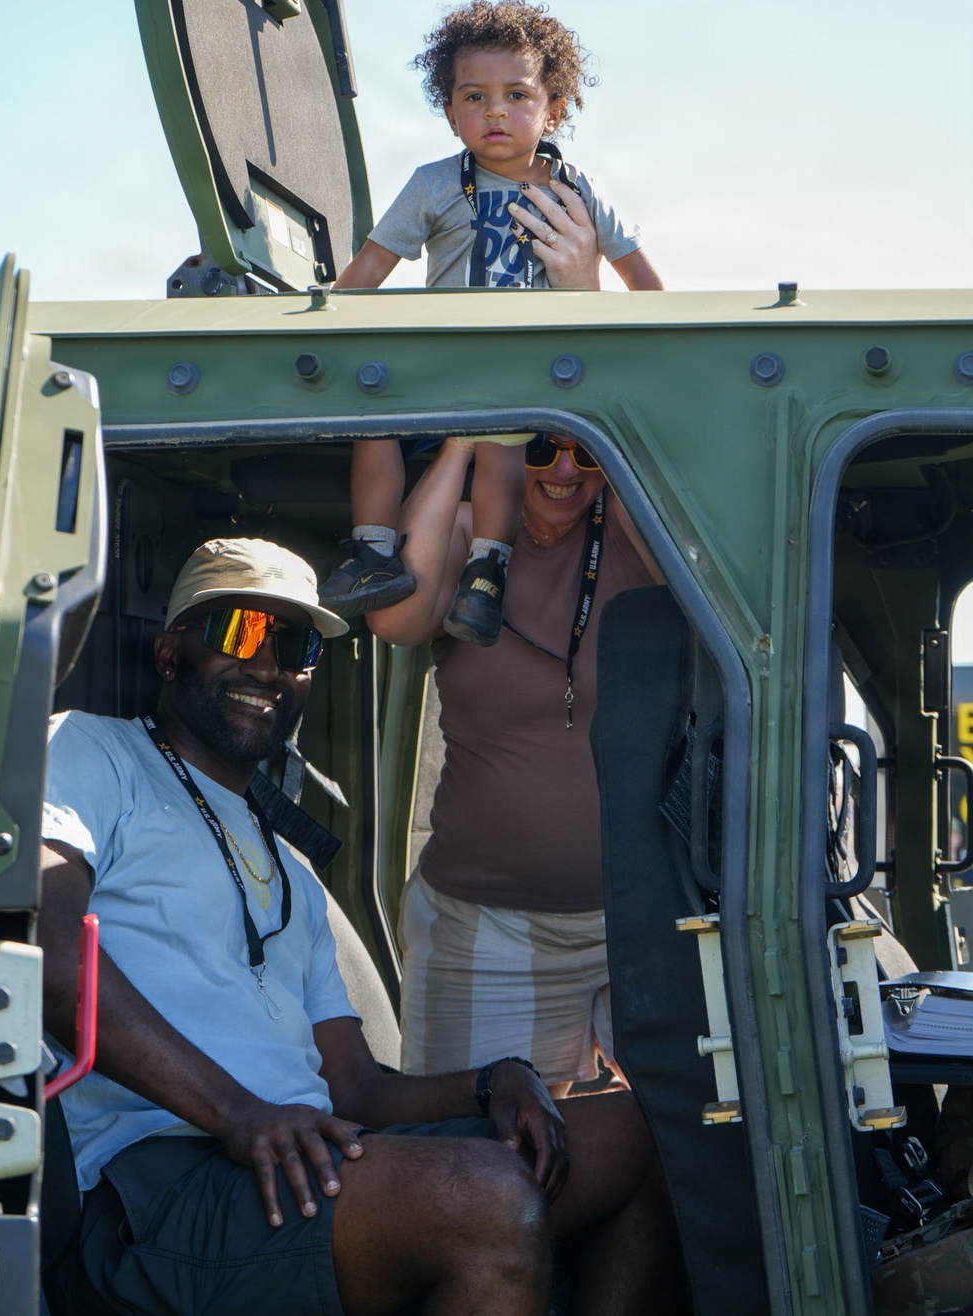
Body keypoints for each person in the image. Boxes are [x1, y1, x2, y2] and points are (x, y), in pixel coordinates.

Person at [39, 536, 675, 1316]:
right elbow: (48, 946)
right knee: (490, 1201)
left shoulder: (293, 873)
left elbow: (356, 1088)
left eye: (295, 644)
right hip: (156, 1182)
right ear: (172, 652)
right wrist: (241, 1114)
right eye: (239, 633)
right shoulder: (89, 752)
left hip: (301, 1154)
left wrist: (496, 1078)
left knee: (646, 1140)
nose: (268, 665)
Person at [318, 0, 662, 648]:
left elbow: (649, 293)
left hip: (526, 370)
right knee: (372, 418)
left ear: (554, 109)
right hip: (437, 362)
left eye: (517, 95)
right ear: (450, 115)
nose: (495, 111)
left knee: (504, 447)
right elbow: (363, 276)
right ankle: (373, 554)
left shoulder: (580, 189)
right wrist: (324, 330)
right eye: (473, 97)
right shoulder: (432, 185)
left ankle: (486, 570)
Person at [366, 437, 663, 1095]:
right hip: (484, 930)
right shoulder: (471, 536)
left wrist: (615, 454)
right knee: (480, 1161)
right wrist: (461, 443)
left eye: (584, 452)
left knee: (684, 1150)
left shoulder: (629, 529)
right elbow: (397, 615)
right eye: (538, 447)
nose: (562, 470)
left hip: (646, 920)